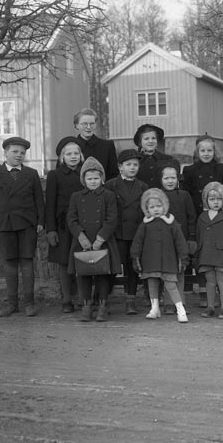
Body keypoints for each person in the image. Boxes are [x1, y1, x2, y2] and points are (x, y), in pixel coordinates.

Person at [0, 137, 44, 317]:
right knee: (9, 264)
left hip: (27, 224)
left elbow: (39, 200)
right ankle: (12, 304)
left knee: (27, 262)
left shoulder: (31, 174)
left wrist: (40, 222)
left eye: (22, 153)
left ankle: (29, 303)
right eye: (15, 152)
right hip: (4, 224)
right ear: (5, 153)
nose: (19, 155)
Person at [67, 156, 121, 322]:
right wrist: (81, 238)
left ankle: (103, 306)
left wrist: (100, 239)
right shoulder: (76, 196)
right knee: (83, 274)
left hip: (102, 241)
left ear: (102, 178)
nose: (93, 181)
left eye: (96, 178)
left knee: (102, 274)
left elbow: (112, 219)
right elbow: (71, 219)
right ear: (84, 179)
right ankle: (86, 306)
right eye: (89, 178)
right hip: (82, 242)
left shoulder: (109, 196)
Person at [181, 134, 223, 307]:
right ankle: (203, 290)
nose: (206, 153)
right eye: (203, 150)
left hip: (219, 217)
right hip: (199, 217)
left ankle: (219, 289)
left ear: (214, 151)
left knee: (217, 250)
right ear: (197, 152)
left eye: (210, 150)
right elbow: (186, 196)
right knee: (202, 252)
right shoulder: (190, 171)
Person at [130, 188, 190, 323]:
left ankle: (180, 309)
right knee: (152, 283)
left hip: (168, 260)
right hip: (150, 260)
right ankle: (154, 308)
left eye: (159, 206)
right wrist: (135, 257)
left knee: (171, 284)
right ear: (146, 209)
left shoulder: (171, 223)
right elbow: (137, 242)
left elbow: (180, 242)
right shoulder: (144, 225)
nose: (156, 209)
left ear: (165, 206)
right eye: (152, 207)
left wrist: (183, 257)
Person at [104, 149, 148, 315]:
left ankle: (131, 300)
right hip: (116, 234)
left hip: (136, 233)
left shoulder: (143, 186)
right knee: (112, 267)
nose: (132, 168)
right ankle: (104, 299)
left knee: (132, 268)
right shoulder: (110, 185)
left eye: (135, 164)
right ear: (120, 167)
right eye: (128, 164)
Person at [45, 137, 84, 313]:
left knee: (82, 260)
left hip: (83, 223)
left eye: (76, 153)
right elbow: (50, 204)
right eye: (69, 154)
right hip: (62, 225)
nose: (73, 157)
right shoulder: (55, 175)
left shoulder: (86, 174)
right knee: (64, 262)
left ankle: (83, 298)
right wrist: (51, 229)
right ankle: (67, 299)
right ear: (62, 157)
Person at [196, 182, 223, 319]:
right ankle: (210, 307)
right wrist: (198, 255)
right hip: (207, 254)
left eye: (219, 199)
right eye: (212, 199)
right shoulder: (202, 218)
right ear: (206, 201)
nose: (216, 202)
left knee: (222, 281)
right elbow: (199, 238)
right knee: (210, 281)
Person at [157, 160, 197, 315]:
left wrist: (191, 238)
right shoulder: (157, 196)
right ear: (161, 179)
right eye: (166, 178)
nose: (170, 181)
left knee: (180, 270)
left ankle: (181, 301)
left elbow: (191, 217)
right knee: (167, 272)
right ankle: (168, 301)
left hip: (182, 239)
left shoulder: (185, 196)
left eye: (173, 177)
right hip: (164, 240)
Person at [73, 108, 118, 181]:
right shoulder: (70, 146)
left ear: (96, 125)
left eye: (92, 124)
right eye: (84, 124)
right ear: (77, 125)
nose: (88, 127)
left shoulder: (107, 146)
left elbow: (113, 174)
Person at [133, 123, 178, 189]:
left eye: (153, 138)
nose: (150, 141)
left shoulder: (168, 160)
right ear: (140, 142)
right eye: (146, 139)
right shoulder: (135, 161)